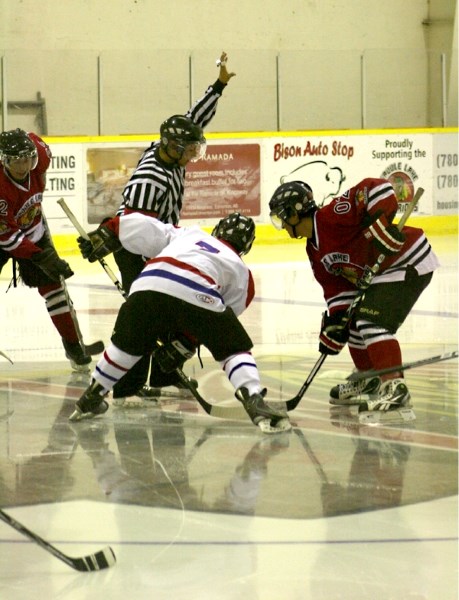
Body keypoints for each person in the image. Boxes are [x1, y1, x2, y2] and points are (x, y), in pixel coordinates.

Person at [69, 211, 291, 433]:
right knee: (232, 348)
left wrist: (110, 230)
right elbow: (219, 319)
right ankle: (253, 399)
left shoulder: (188, 234)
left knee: (126, 347)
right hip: (198, 289)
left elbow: (146, 227)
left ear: (218, 230)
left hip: (147, 284)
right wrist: (186, 341)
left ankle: (92, 395)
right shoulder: (242, 272)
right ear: (246, 246)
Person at [111, 51, 236, 402]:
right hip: (136, 246)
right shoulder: (150, 179)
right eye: (190, 151)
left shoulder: (171, 150)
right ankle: (127, 385)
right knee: (145, 313)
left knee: (167, 306)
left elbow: (195, 117)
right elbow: (133, 227)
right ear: (172, 147)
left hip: (157, 241)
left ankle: (163, 376)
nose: (193, 157)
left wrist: (220, 85)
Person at [268, 178, 439, 418]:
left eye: (281, 217)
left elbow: (378, 188)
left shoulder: (331, 216)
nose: (282, 225)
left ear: (294, 213)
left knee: (371, 321)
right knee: (352, 322)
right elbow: (337, 291)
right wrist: (336, 324)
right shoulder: (313, 249)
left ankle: (395, 387)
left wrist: (379, 223)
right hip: (382, 272)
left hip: (408, 260)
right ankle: (368, 378)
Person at [0, 128, 91, 371]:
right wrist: (41, 256)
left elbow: (33, 136)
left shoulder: (41, 155)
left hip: (33, 227)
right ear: (4, 161)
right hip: (3, 234)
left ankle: (73, 345)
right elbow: (6, 237)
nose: (24, 166)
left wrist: (44, 257)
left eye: (27, 158)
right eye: (17, 161)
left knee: (55, 287)